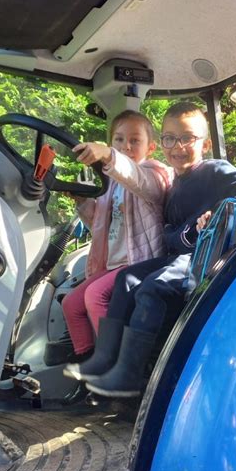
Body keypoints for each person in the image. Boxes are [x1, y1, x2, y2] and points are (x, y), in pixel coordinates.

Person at [69, 102, 236, 397]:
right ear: (161, 143)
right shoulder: (175, 184)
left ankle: (129, 374)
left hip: (205, 258)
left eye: (187, 138)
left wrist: (226, 212)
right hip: (180, 254)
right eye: (170, 138)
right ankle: (109, 360)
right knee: (127, 279)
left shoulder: (211, 170)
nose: (178, 146)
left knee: (153, 286)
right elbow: (172, 233)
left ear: (206, 143)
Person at [54, 110, 171, 375]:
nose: (126, 146)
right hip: (113, 264)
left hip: (139, 262)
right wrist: (80, 200)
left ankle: (116, 366)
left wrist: (108, 154)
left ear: (150, 147)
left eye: (134, 141)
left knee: (96, 296)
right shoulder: (112, 185)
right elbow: (99, 219)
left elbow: (141, 181)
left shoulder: (154, 173)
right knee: (71, 304)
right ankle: (87, 365)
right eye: (118, 140)